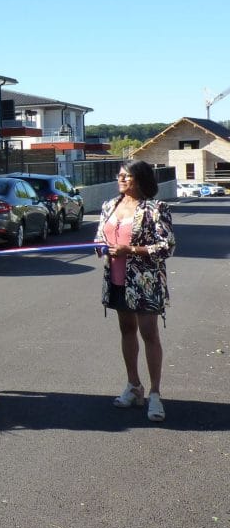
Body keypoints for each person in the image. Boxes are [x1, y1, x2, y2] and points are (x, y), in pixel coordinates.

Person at [95, 160, 175, 423]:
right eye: (119, 175)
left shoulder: (155, 209)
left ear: (139, 179)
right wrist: (101, 246)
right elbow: (100, 237)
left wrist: (132, 251)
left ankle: (154, 394)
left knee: (149, 334)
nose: (121, 179)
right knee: (126, 330)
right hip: (117, 280)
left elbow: (167, 246)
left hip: (145, 282)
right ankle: (133, 385)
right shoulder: (109, 206)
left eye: (126, 176)